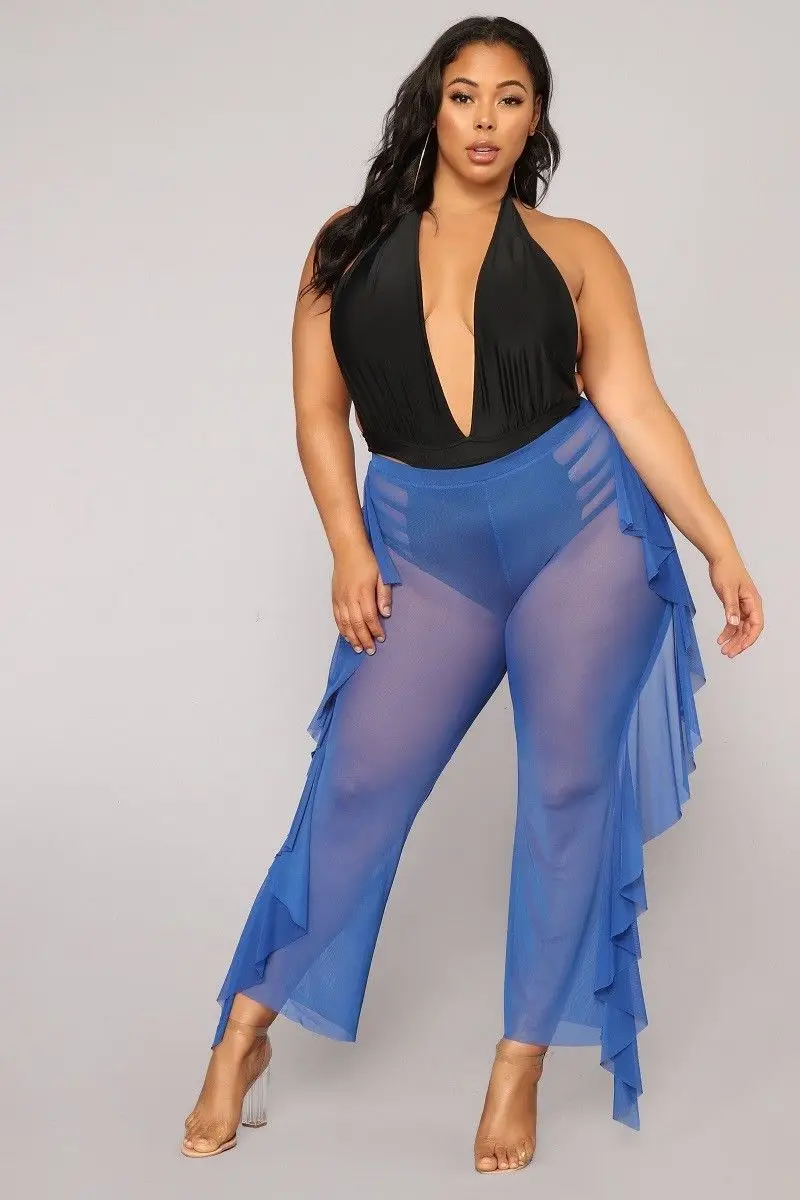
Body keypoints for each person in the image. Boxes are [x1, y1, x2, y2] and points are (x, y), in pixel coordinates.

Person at [181, 15, 764, 1171]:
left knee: (564, 792)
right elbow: (317, 413)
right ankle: (243, 1033)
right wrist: (348, 547)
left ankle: (516, 1066)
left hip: (582, 537)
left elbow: (633, 405)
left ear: (534, 117)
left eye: (509, 97)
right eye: (463, 95)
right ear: (430, 106)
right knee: (356, 787)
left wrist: (718, 545)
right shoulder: (343, 248)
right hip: (424, 555)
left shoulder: (575, 250)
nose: (484, 119)